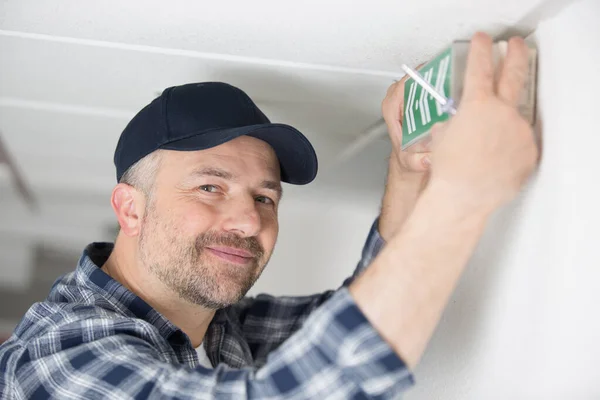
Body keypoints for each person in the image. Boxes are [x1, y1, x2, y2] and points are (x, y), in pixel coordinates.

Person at [0, 32, 538, 399]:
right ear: (131, 208)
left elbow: (370, 311)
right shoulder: (59, 356)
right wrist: (463, 195)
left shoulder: (218, 327)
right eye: (211, 187)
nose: (250, 221)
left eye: (265, 197)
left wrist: (409, 168)